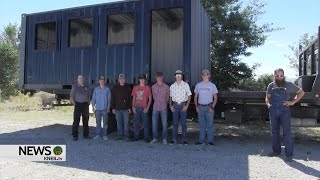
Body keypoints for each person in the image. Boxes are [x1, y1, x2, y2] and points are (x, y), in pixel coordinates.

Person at [265, 68, 304, 162]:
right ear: (274, 76)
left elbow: (301, 93)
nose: (279, 77)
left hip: (284, 111)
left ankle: (289, 154)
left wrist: (292, 102)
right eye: (277, 76)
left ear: (283, 75)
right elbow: (267, 98)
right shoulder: (271, 85)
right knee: (275, 131)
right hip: (273, 110)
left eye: (281, 75)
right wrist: (269, 105)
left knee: (287, 132)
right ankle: (276, 151)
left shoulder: (289, 84)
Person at [194, 69, 218, 146]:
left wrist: (212, 107)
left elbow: (216, 97)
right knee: (201, 125)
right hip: (200, 107)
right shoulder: (198, 85)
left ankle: (210, 141)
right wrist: (196, 106)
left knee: (210, 125)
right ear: (202, 76)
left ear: (209, 75)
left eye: (206, 74)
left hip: (209, 107)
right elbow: (195, 96)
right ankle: (201, 141)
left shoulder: (212, 85)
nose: (205, 75)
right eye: (203, 74)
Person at [169, 70, 192, 145]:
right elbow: (170, 96)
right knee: (175, 123)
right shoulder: (172, 86)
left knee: (183, 123)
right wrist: (170, 106)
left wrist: (187, 106)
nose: (178, 76)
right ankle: (174, 139)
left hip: (183, 105)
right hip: (175, 106)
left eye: (179, 75)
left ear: (182, 76)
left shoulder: (186, 85)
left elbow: (189, 96)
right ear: (175, 76)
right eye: (177, 75)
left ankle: (184, 140)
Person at [132, 73, 152, 142]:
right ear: (139, 80)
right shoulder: (135, 87)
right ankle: (136, 136)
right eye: (140, 79)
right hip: (137, 107)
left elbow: (150, 99)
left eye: (143, 79)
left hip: (144, 108)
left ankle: (146, 137)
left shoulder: (147, 88)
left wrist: (147, 108)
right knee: (136, 123)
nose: (142, 80)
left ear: (145, 80)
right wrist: (133, 107)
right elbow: (134, 98)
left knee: (146, 124)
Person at [150, 72, 170, 144]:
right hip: (155, 107)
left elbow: (168, 98)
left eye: (160, 76)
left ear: (163, 77)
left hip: (163, 108)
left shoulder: (166, 87)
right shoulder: (153, 87)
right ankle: (155, 138)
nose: (159, 78)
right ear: (156, 77)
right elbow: (153, 97)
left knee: (164, 124)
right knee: (154, 124)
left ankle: (164, 139)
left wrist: (164, 103)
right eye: (158, 76)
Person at [111, 74, 132, 141]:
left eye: (123, 79)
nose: (122, 80)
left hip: (126, 109)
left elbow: (130, 98)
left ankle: (126, 136)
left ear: (125, 79)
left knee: (126, 123)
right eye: (121, 79)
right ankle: (120, 135)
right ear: (118, 79)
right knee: (119, 122)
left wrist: (129, 107)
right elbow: (112, 98)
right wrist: (113, 108)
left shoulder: (128, 87)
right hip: (117, 109)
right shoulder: (115, 88)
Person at [70, 75, 91, 141]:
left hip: (85, 105)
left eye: (82, 78)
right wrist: (75, 104)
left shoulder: (86, 87)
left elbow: (89, 96)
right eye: (79, 78)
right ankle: (75, 136)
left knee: (86, 121)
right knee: (76, 121)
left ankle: (86, 135)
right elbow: (71, 97)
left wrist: (88, 103)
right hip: (78, 105)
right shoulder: (75, 87)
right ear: (77, 79)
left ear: (83, 79)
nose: (81, 80)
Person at [92, 75, 111, 141]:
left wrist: (108, 107)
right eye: (101, 80)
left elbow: (109, 99)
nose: (102, 82)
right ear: (99, 81)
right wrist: (93, 106)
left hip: (105, 109)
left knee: (105, 123)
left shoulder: (107, 89)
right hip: (98, 109)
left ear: (104, 82)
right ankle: (98, 135)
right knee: (98, 123)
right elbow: (93, 98)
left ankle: (105, 135)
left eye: (103, 81)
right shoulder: (96, 89)